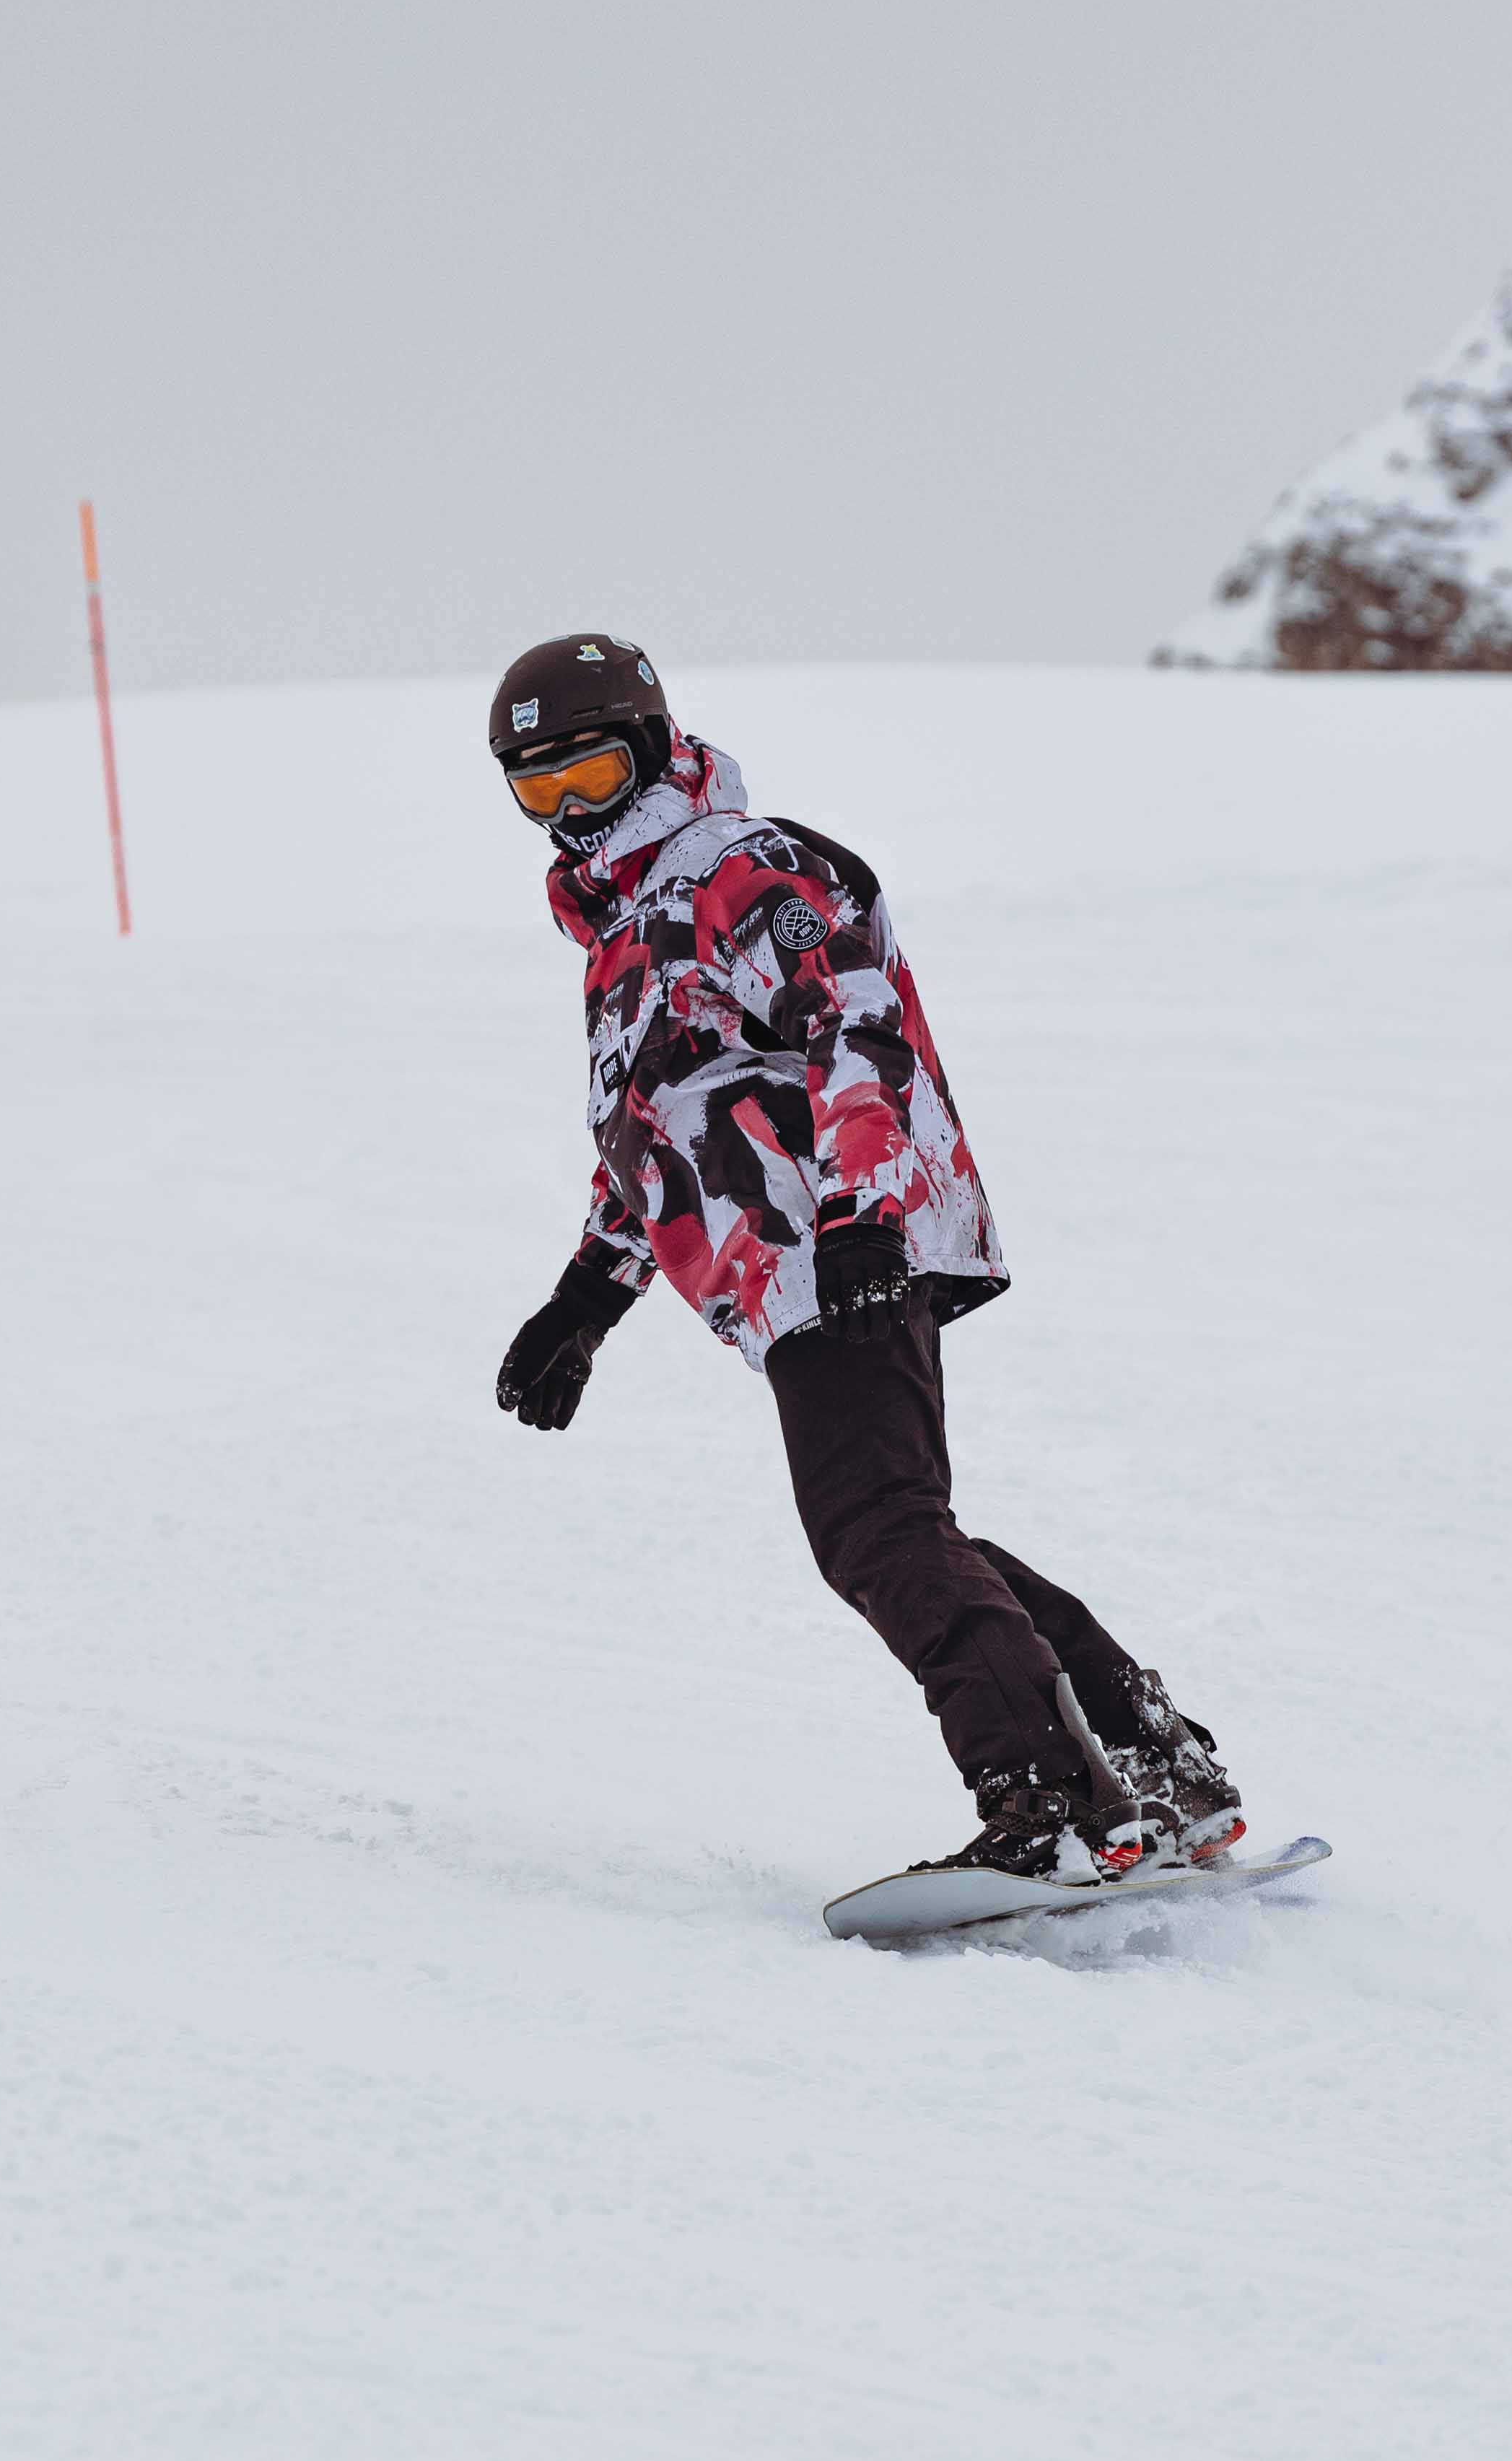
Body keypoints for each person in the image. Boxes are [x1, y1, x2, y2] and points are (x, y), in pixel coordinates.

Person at [481, 632, 1245, 1885]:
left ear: (655, 749)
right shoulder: (627, 931)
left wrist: (862, 1213)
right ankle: (1149, 1758)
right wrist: (585, 1298)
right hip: (786, 1257)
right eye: (537, 786)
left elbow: (857, 1028)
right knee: (899, 1521)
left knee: (875, 1526)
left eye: (591, 772)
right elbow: (659, 1129)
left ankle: (1049, 1796)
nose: (569, 809)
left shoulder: (740, 868)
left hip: (834, 1234)